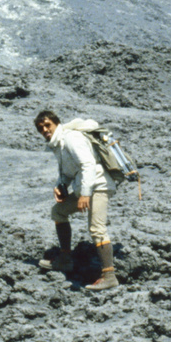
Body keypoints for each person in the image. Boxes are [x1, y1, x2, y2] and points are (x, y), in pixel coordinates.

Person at [34, 109, 119, 290]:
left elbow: (87, 164)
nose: (45, 130)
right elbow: (67, 172)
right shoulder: (58, 144)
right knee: (58, 211)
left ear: (56, 124)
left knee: (96, 229)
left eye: (47, 125)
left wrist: (86, 194)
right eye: (41, 128)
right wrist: (60, 185)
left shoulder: (71, 138)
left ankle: (109, 276)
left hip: (99, 186)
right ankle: (65, 259)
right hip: (86, 187)